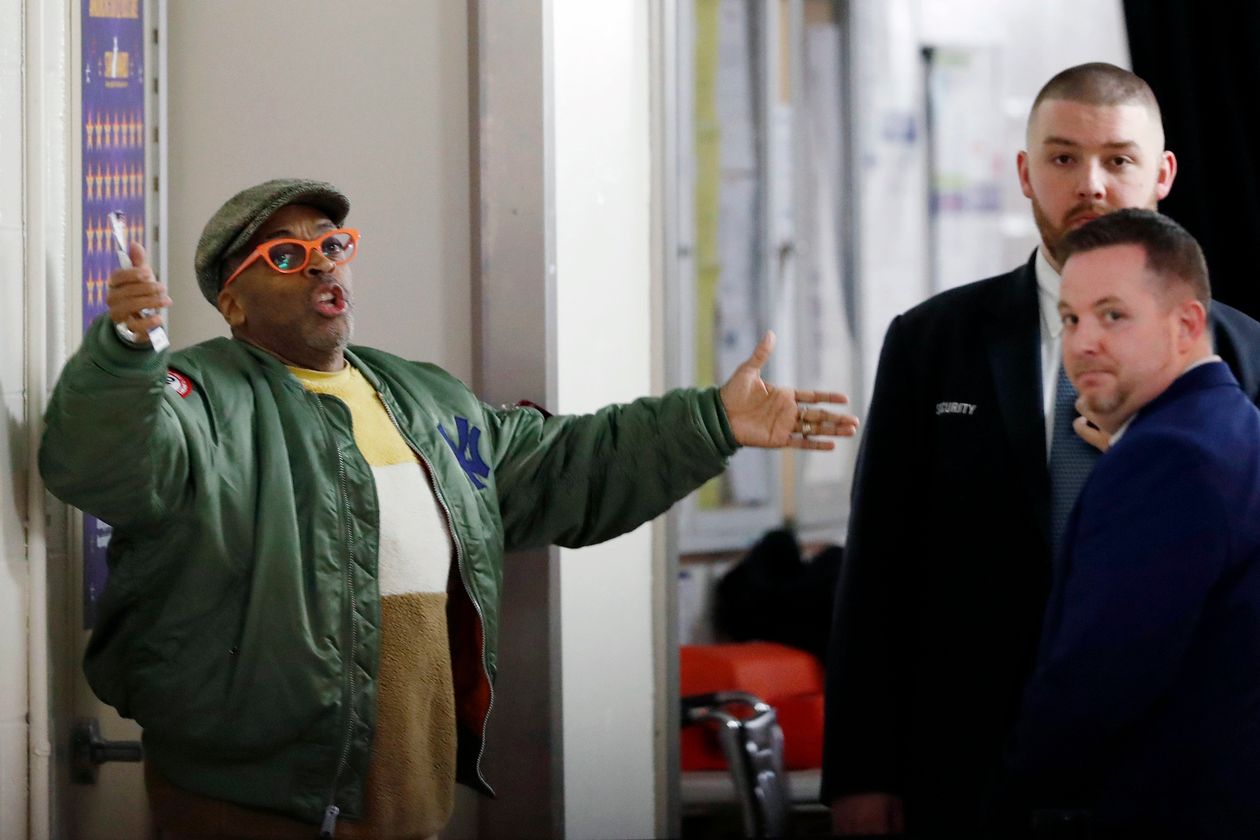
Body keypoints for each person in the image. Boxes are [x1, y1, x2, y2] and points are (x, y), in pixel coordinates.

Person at [40, 178, 859, 839]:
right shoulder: (197, 398)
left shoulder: (424, 398)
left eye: (333, 245)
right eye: (287, 255)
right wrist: (124, 356)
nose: (324, 266)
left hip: (411, 799)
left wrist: (713, 423)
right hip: (247, 804)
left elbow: (565, 466)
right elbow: (104, 462)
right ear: (233, 302)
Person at [822, 63, 1260, 836]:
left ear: (1161, 176)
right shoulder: (933, 341)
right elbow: (879, 568)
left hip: (1181, 772)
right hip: (967, 764)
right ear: (1025, 174)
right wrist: (860, 775)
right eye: (1063, 159)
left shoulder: (1240, 350)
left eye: (1118, 160)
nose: (1091, 184)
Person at [999, 209, 1260, 839]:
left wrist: (1000, 805)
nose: (1082, 341)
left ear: (1186, 325)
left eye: (1113, 315)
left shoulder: (1168, 456)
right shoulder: (1235, 427)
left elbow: (1094, 686)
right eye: (1070, 318)